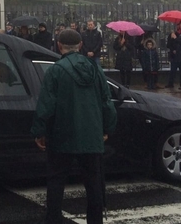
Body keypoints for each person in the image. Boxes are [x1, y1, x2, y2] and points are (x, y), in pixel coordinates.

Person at [31, 29, 117, 224]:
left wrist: (40, 131)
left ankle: (53, 220)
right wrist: (107, 128)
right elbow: (107, 101)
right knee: (94, 184)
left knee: (56, 182)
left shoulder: (55, 70)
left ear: (59, 46)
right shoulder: (95, 69)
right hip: (92, 135)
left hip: (62, 135)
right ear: (80, 46)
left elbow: (46, 105)